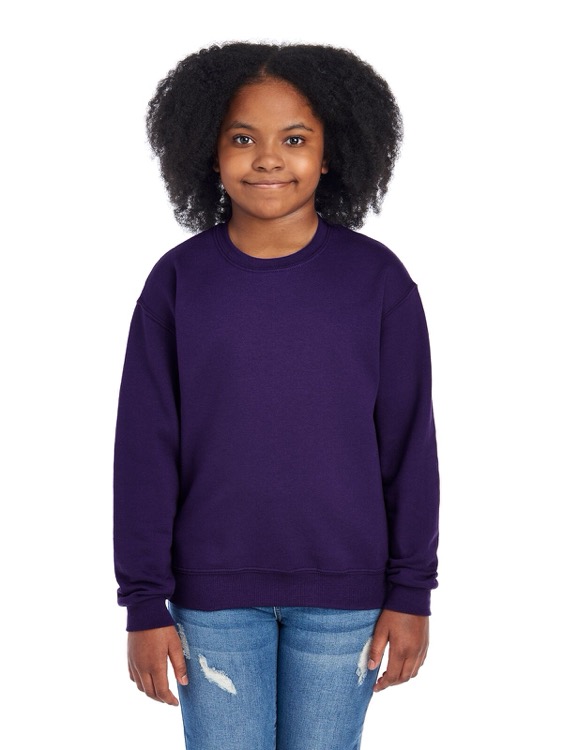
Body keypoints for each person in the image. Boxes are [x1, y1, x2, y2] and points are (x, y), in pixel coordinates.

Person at [113, 41, 440, 750]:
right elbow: (143, 450)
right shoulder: (178, 282)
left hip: (347, 598)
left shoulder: (377, 281)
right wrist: (143, 602)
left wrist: (411, 591)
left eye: (294, 139)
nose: (267, 159)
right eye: (242, 139)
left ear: (330, 154)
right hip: (210, 600)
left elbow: (408, 446)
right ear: (207, 151)